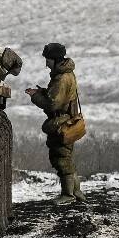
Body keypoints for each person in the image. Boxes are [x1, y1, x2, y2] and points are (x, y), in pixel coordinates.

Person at [26, 42, 86, 205]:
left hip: (62, 123)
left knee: (61, 158)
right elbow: (58, 97)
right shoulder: (66, 74)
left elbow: (52, 104)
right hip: (67, 121)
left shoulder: (61, 78)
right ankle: (76, 192)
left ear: (55, 59)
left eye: (48, 60)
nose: (46, 63)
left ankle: (68, 195)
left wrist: (35, 96)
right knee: (66, 157)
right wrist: (42, 92)